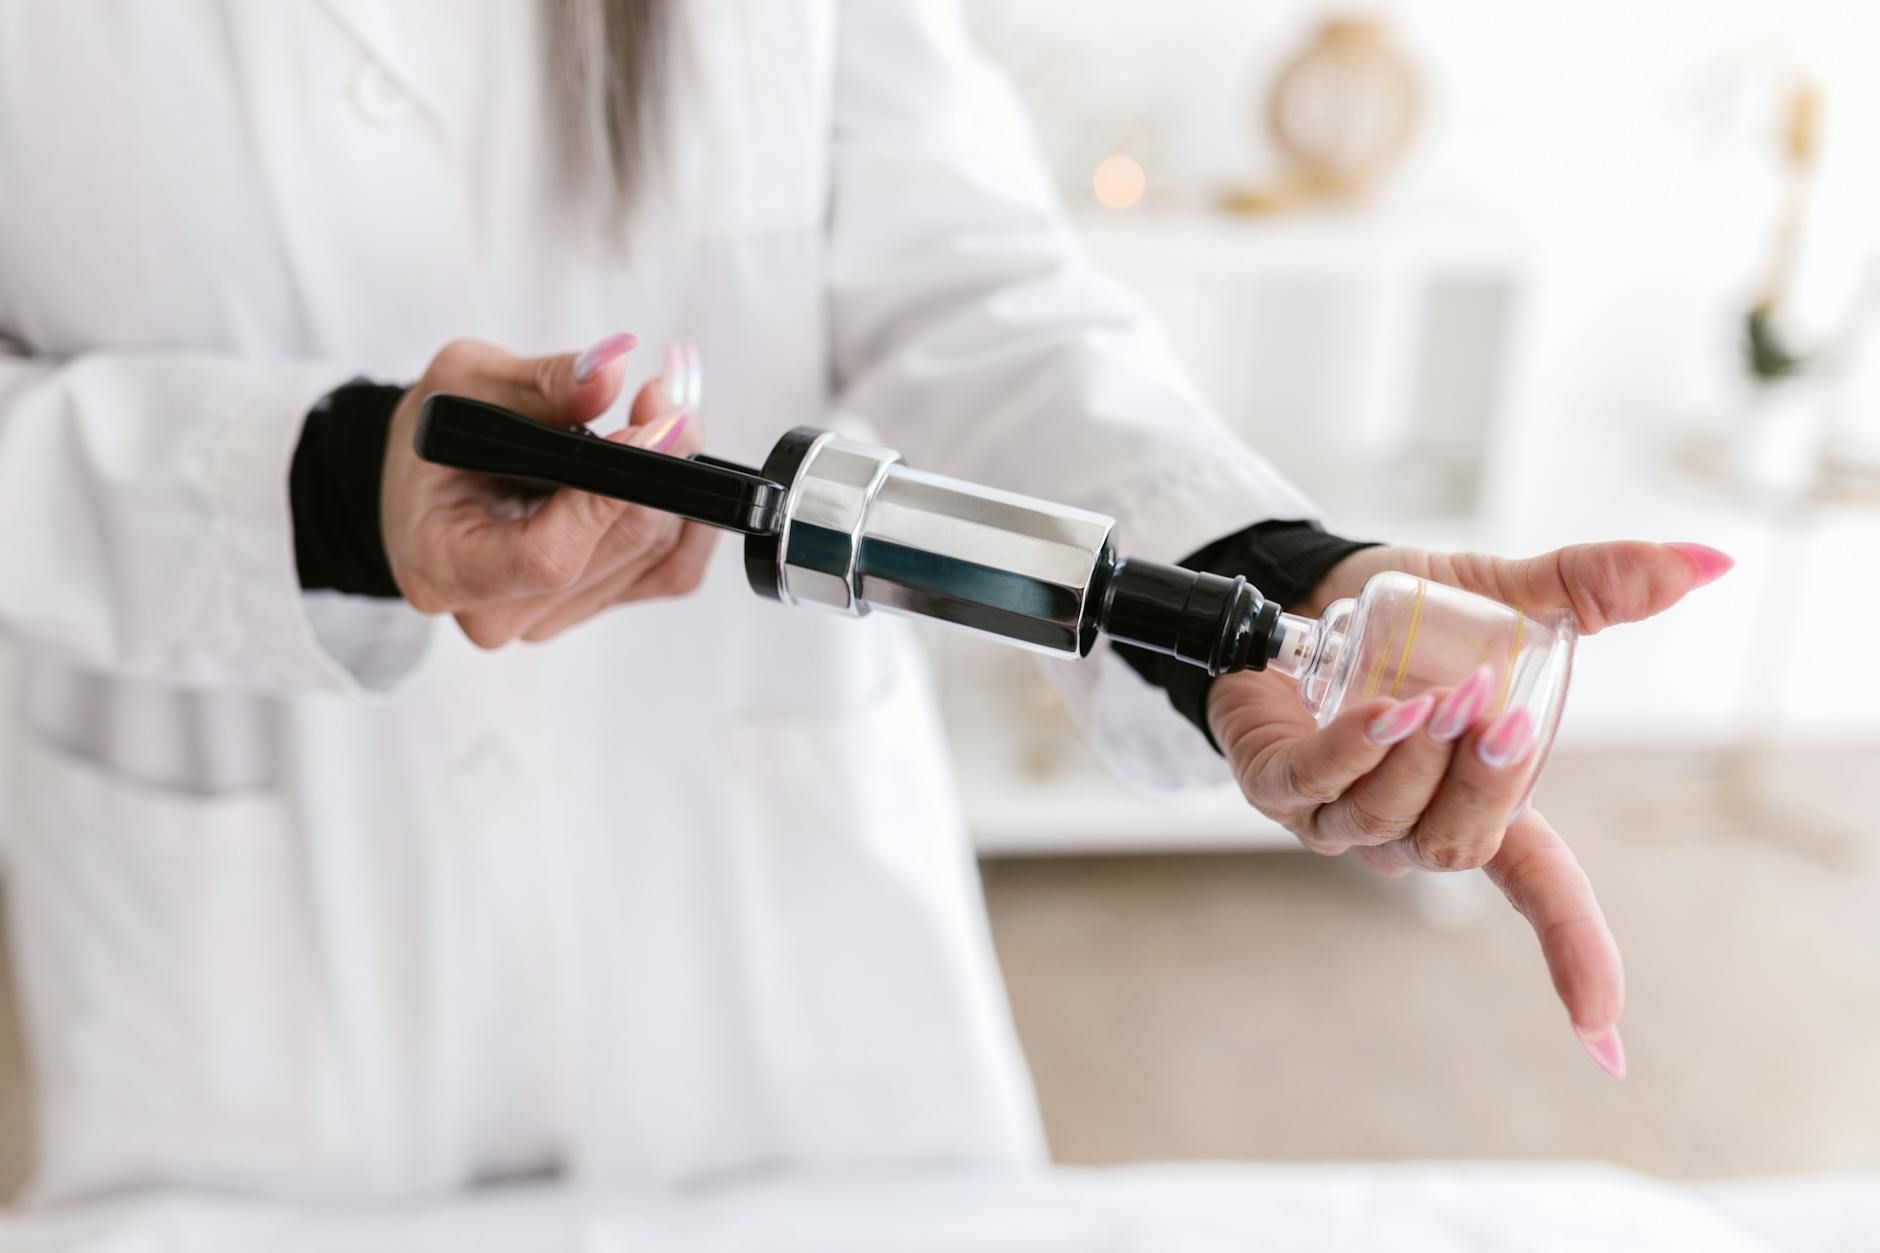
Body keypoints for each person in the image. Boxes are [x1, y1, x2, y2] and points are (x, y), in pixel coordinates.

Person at [0, 0, 1726, 1203]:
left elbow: (964, 283)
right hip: (248, 1012)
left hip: (777, 984)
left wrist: (1269, 582)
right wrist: (305, 487)